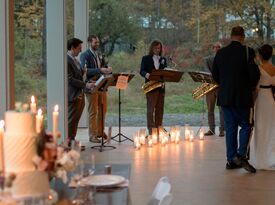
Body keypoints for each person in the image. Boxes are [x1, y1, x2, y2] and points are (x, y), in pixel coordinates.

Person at [212, 26, 260, 173]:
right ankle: (241, 155)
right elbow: (254, 75)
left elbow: (215, 75)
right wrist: (250, 87)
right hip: (243, 97)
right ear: (242, 37)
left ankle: (231, 160)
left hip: (226, 97)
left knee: (230, 128)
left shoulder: (220, 53)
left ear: (231, 35)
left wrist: (225, 86)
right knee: (246, 125)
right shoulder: (247, 51)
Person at [80, 35, 112, 143]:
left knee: (103, 109)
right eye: (95, 42)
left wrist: (108, 69)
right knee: (93, 111)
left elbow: (103, 67)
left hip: (102, 86)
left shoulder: (99, 54)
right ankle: (92, 135)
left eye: (98, 42)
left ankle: (100, 131)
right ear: (89, 43)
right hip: (91, 86)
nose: (97, 44)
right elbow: (85, 70)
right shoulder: (84, 55)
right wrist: (100, 70)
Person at [67, 38, 94, 145]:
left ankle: (72, 140)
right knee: (71, 121)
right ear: (72, 48)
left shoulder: (74, 59)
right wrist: (86, 84)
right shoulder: (67, 60)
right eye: (79, 48)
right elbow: (70, 79)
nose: (80, 51)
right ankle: (68, 142)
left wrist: (84, 70)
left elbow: (78, 75)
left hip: (79, 94)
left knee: (75, 121)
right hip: (73, 95)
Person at [253, 44, 275, 170]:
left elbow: (256, 89)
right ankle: (271, 157)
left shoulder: (259, 69)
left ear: (260, 55)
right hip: (271, 100)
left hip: (261, 98)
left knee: (261, 127)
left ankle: (262, 159)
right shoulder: (274, 69)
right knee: (271, 127)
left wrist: (252, 102)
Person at [140, 40, 167, 134]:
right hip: (150, 86)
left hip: (161, 87)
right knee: (150, 109)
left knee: (160, 109)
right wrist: (148, 75)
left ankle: (159, 127)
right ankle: (151, 130)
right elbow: (141, 71)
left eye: (159, 48)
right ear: (152, 48)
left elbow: (165, 71)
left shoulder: (163, 59)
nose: (157, 50)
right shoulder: (145, 58)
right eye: (155, 48)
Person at [203, 42, 225, 137]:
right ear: (212, 48)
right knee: (210, 110)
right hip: (210, 87)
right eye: (215, 47)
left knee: (222, 110)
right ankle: (211, 130)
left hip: (221, 87)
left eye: (219, 47)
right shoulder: (208, 59)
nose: (217, 48)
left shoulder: (225, 59)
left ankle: (222, 130)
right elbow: (206, 70)